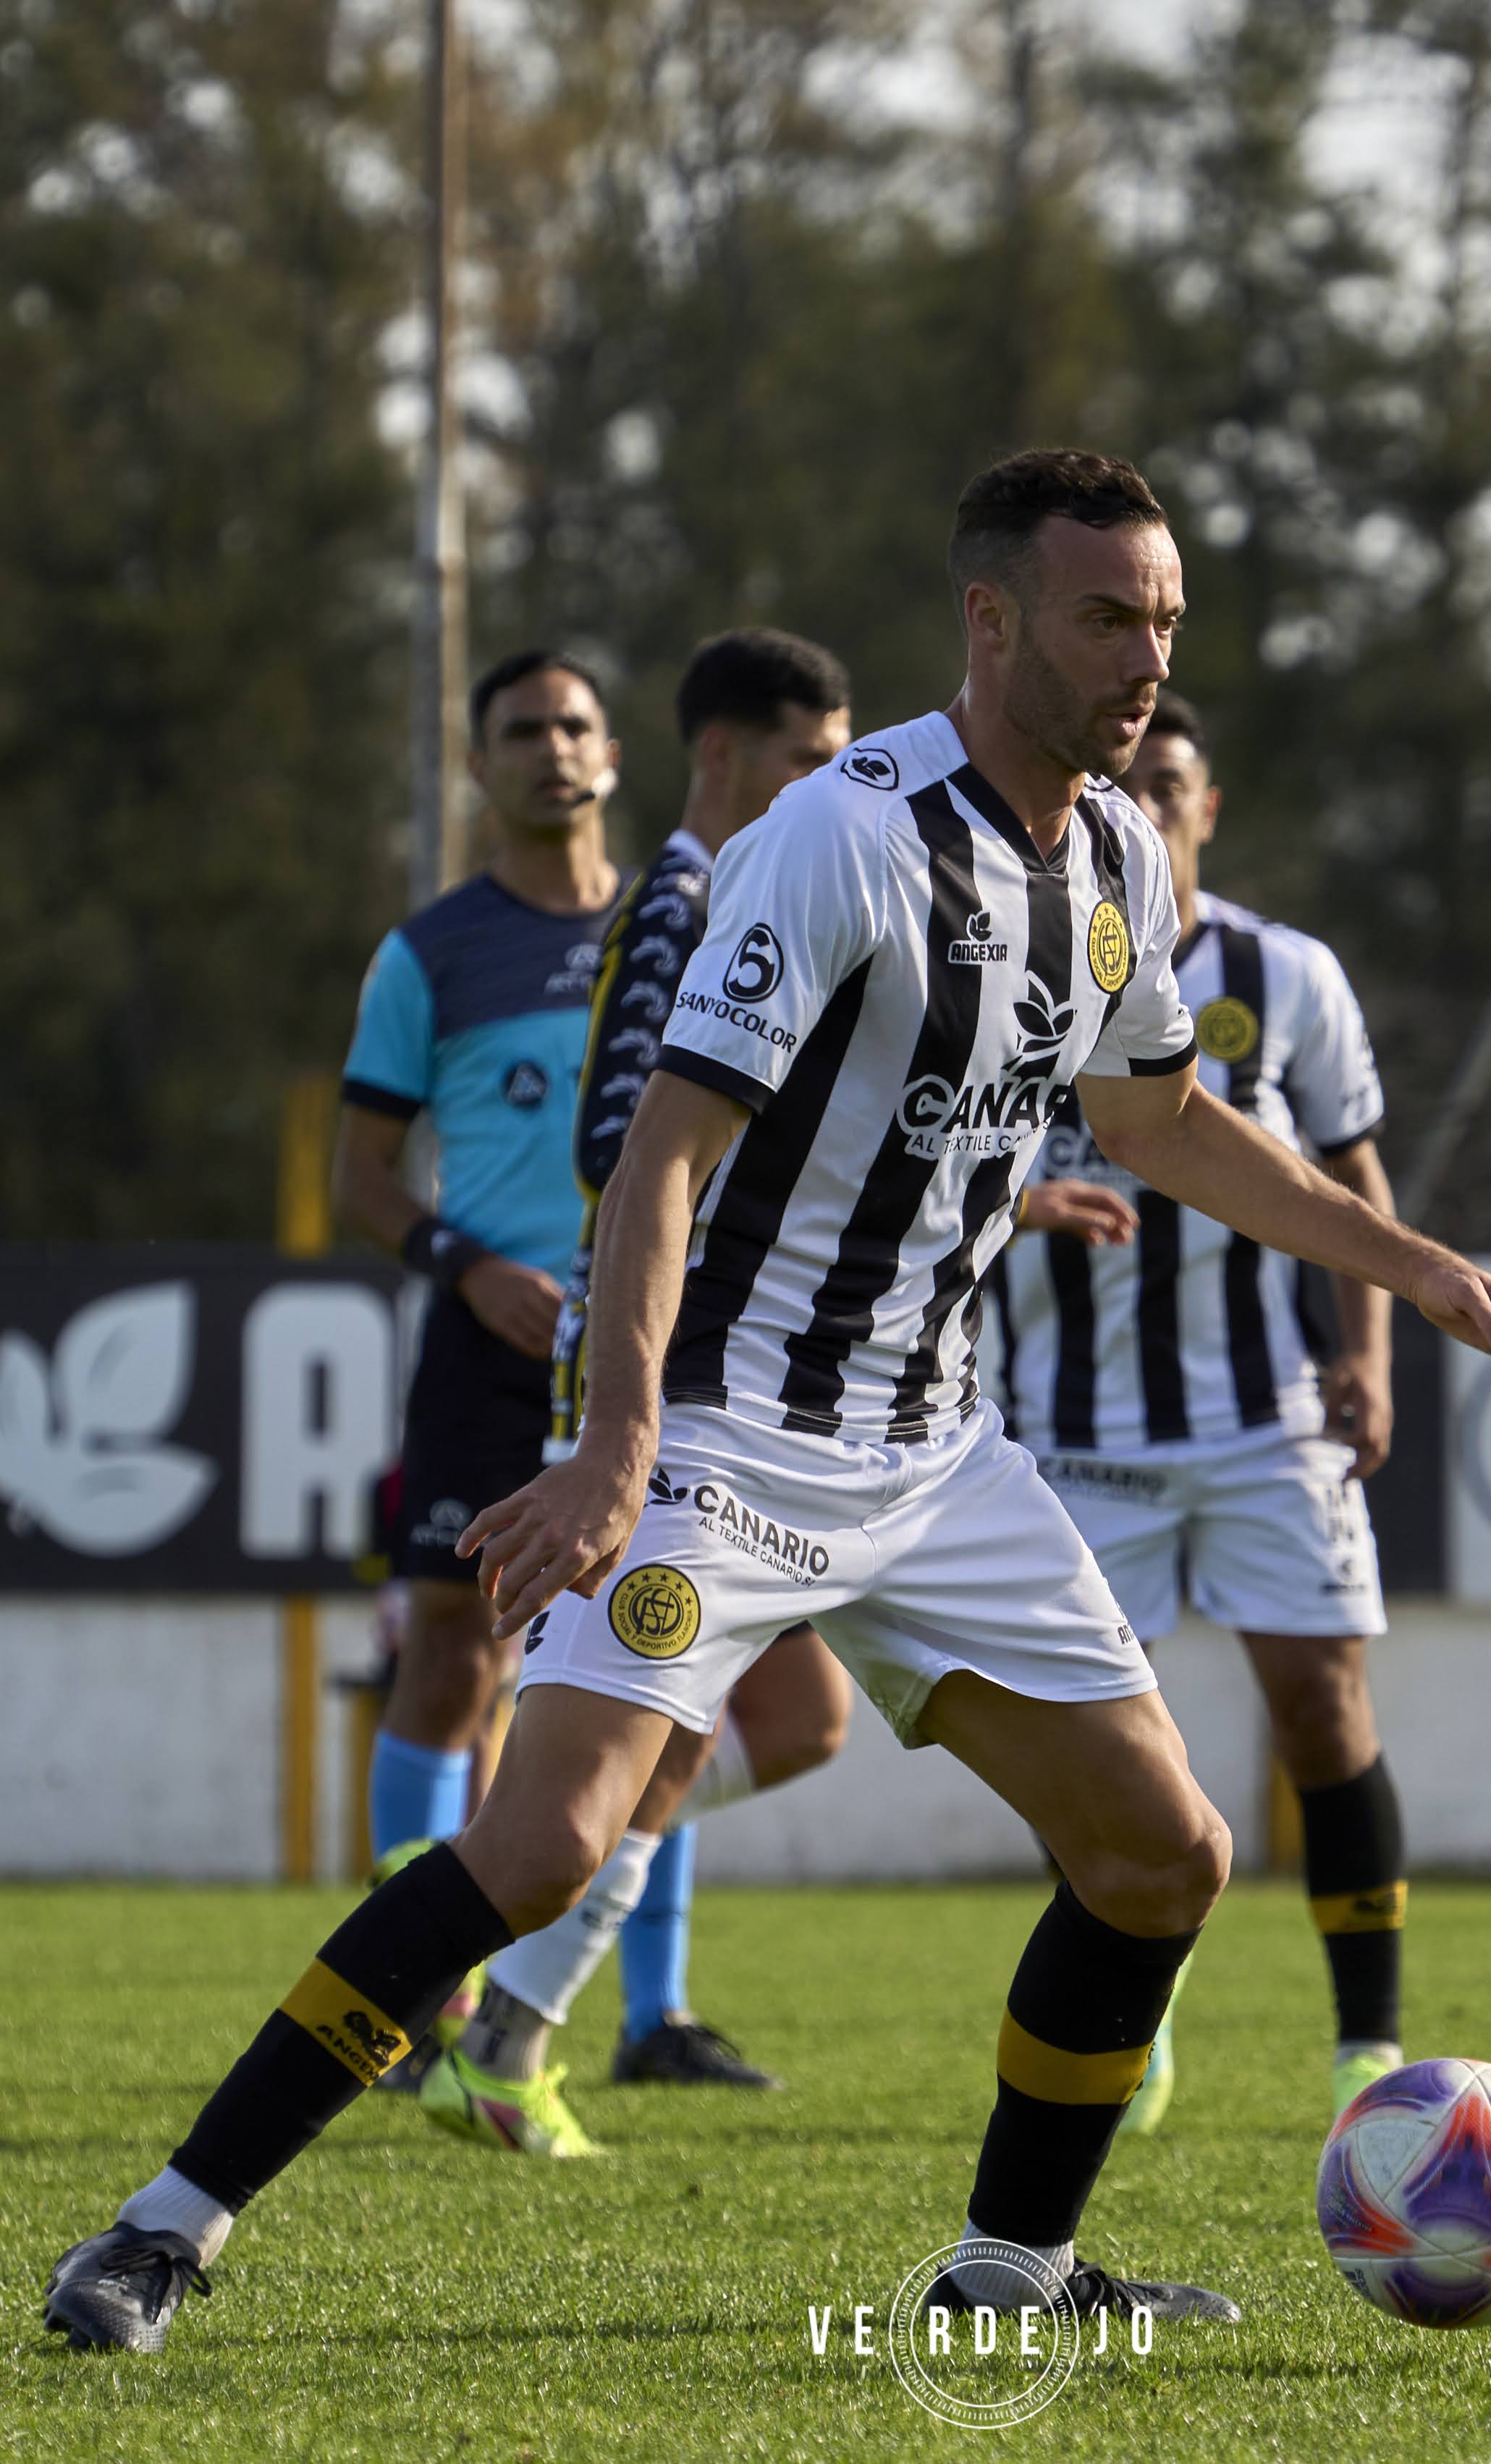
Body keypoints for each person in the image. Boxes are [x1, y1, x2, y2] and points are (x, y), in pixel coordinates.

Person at [43, 447, 1491, 2355]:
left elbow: (1162, 1119)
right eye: (1108, 618)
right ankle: (162, 2227)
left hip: (931, 1448)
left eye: (1166, 623)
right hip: (717, 1438)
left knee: (1163, 1854)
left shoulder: (1112, 856)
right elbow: (664, 1162)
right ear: (991, 617)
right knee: (539, 1850)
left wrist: (1411, 1263)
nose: (1144, 664)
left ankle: (1002, 2270)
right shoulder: (840, 837)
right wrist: (612, 1446)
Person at [424, 628, 864, 2156]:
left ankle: (508, 2024)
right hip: (668, 1386)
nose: (837, 791)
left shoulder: (750, 893)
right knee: (619, 1757)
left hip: (752, 1383)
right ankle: (479, 2023)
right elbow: (627, 1158)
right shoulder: (688, 909)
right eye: (811, 762)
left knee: (793, 1719)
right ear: (727, 758)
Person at [992, 689, 1408, 2135]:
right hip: (1069, 1424)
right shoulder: (1014, 952)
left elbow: (1353, 1176)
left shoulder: (1284, 975)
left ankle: (1367, 2040)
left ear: (1206, 810)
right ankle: (1135, 1999)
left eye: (1178, 784)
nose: (1154, 804)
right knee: (1108, 1747)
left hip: (1259, 1414)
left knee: (1320, 1702)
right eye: (1138, 781)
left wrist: (1371, 1352)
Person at [327, 648, 626, 2079]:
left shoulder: (677, 935)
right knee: (452, 1644)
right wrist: (468, 1265)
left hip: (645, 1339)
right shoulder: (428, 952)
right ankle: (411, 1985)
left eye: (574, 725)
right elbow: (360, 1176)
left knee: (649, 1654)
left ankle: (655, 2008)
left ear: (613, 755)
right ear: (477, 765)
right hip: (487, 1335)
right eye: (521, 730)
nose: (551, 749)